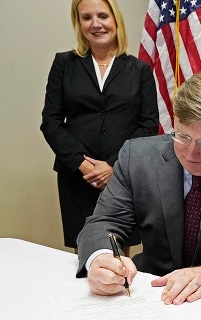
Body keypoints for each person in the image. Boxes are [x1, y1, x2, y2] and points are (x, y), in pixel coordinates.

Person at [75, 70, 201, 305]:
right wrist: (101, 258)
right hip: (152, 292)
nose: (191, 153)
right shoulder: (138, 157)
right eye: (182, 137)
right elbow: (104, 222)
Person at [41, 0, 158, 251]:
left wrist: (114, 166)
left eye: (102, 16)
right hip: (76, 176)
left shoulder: (140, 70)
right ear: (78, 23)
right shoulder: (64, 64)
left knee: (119, 251)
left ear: (116, 20)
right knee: (83, 251)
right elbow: (50, 122)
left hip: (122, 177)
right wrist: (83, 165)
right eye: (86, 17)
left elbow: (148, 126)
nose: (96, 24)